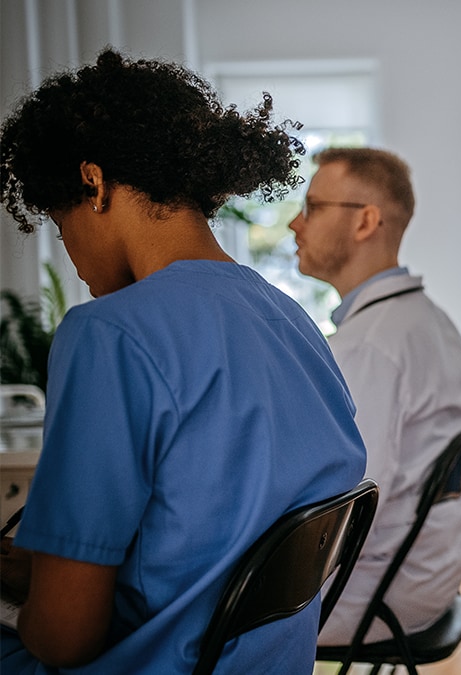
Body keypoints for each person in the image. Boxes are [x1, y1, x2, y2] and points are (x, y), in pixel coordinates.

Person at [0, 50, 367, 674]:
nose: (75, 261)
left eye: (62, 229)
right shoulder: (290, 318)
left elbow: (64, 638)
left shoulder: (109, 333)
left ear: (93, 183)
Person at [288, 147, 461, 645]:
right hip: (432, 569)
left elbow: (347, 506)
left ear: (365, 222)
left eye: (311, 206)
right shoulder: (429, 320)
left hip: (381, 595)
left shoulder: (370, 346)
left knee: (193, 615)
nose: (294, 223)